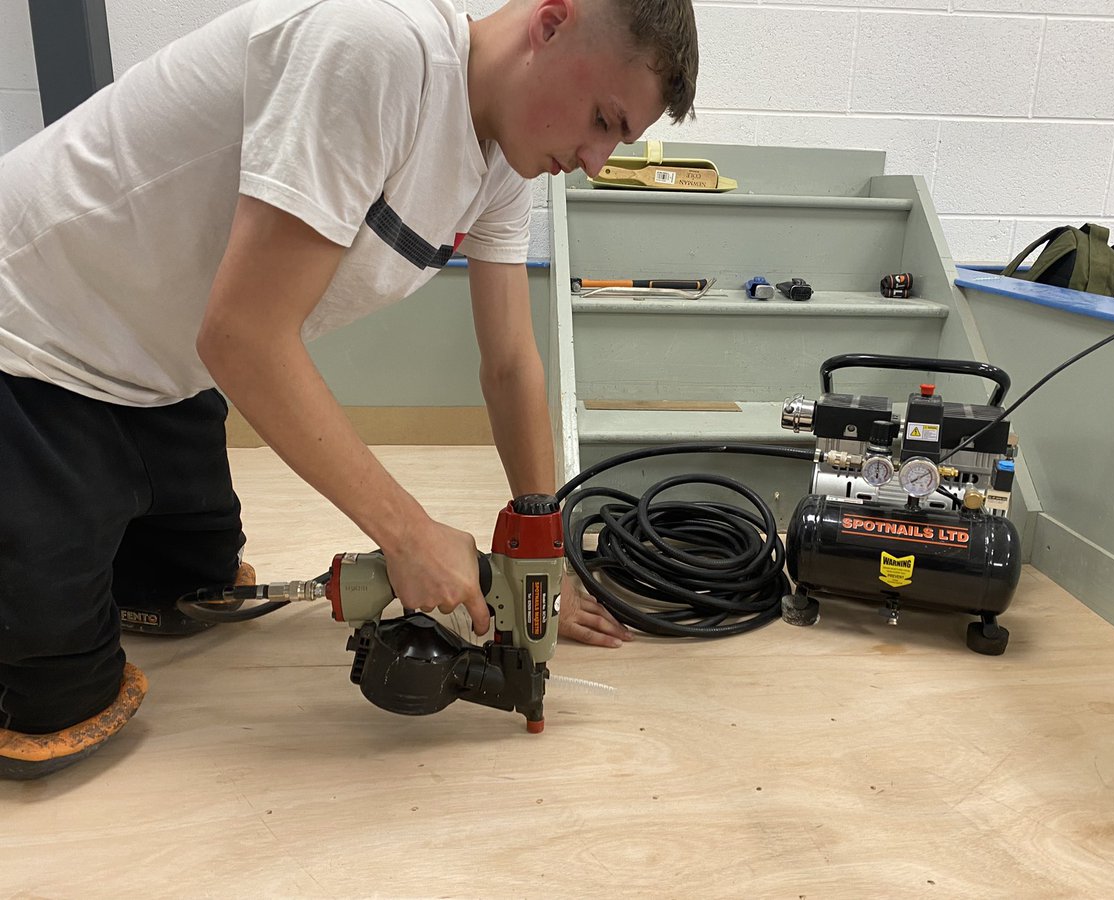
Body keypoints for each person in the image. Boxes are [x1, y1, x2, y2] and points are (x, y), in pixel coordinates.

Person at [0, 0, 699, 779]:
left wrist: (541, 562)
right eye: (603, 118)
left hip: (156, 375)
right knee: (51, 709)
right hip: (30, 336)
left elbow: (510, 364)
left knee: (187, 593)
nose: (599, 159)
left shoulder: (506, 161)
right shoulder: (375, 47)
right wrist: (407, 534)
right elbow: (244, 337)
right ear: (551, 23)